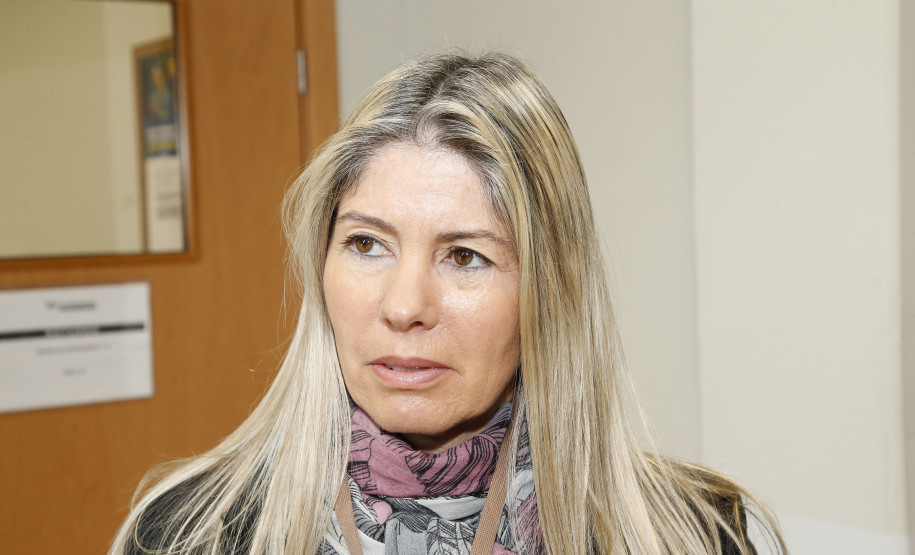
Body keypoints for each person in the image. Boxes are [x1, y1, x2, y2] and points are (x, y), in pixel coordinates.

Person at [110, 52, 787, 554]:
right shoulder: (186, 533)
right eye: (367, 244)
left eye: (464, 256)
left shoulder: (692, 533)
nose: (404, 305)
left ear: (550, 291)